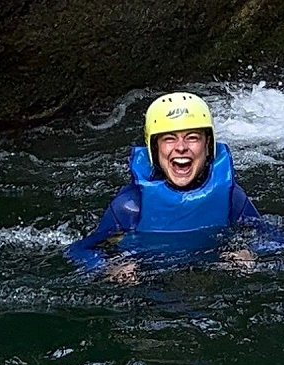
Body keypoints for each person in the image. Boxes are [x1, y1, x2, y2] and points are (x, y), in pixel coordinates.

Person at [65, 92, 264, 281]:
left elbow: (273, 238)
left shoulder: (231, 198)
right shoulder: (129, 207)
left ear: (208, 144)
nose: (181, 147)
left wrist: (250, 252)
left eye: (192, 137)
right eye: (169, 138)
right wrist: (107, 267)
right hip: (151, 284)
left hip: (209, 279)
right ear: (154, 147)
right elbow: (80, 250)